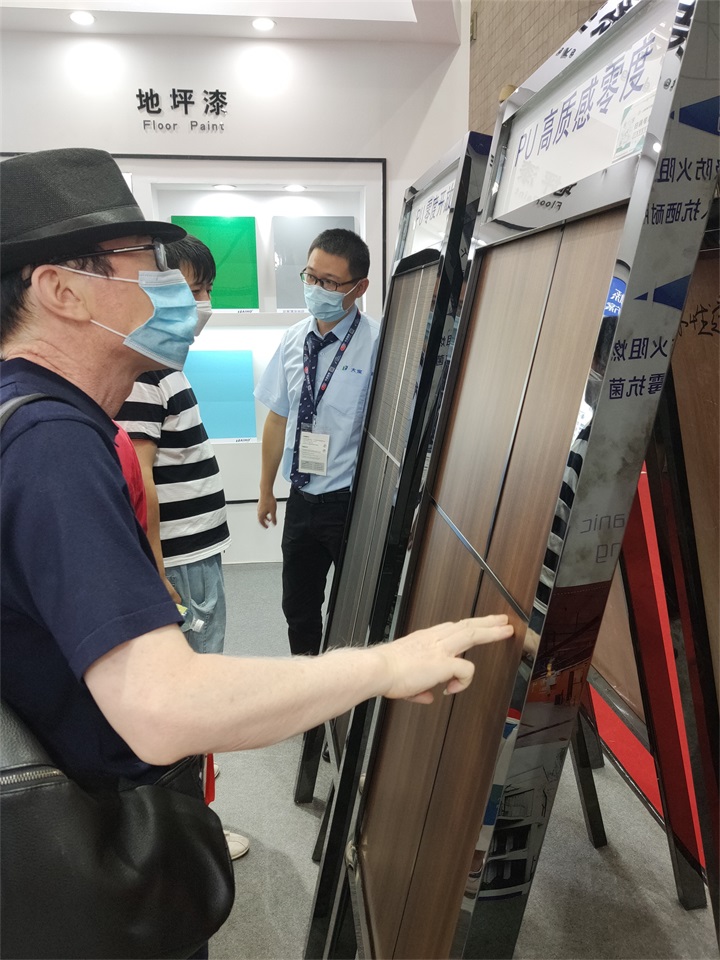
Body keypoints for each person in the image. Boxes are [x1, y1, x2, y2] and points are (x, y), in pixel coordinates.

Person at [0, 147, 513, 958]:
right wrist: (382, 666)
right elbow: (162, 707)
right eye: (147, 262)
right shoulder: (49, 443)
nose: (174, 287)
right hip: (86, 855)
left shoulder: (37, 418)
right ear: (61, 290)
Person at [115, 234, 248, 860]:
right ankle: (189, 831)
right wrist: (157, 569)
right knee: (195, 688)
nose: (203, 304)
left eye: (207, 290)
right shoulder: (147, 372)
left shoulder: (162, 366)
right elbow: (140, 481)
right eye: (191, 291)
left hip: (191, 556)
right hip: (181, 563)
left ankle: (186, 822)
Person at [255, 228, 379, 657]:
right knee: (298, 607)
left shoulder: (378, 343)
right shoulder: (294, 339)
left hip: (351, 502)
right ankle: (308, 680)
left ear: (359, 287)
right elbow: (277, 417)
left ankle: (352, 686)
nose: (315, 288)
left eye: (329, 282)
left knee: (355, 609)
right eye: (310, 276)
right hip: (301, 498)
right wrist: (265, 490)